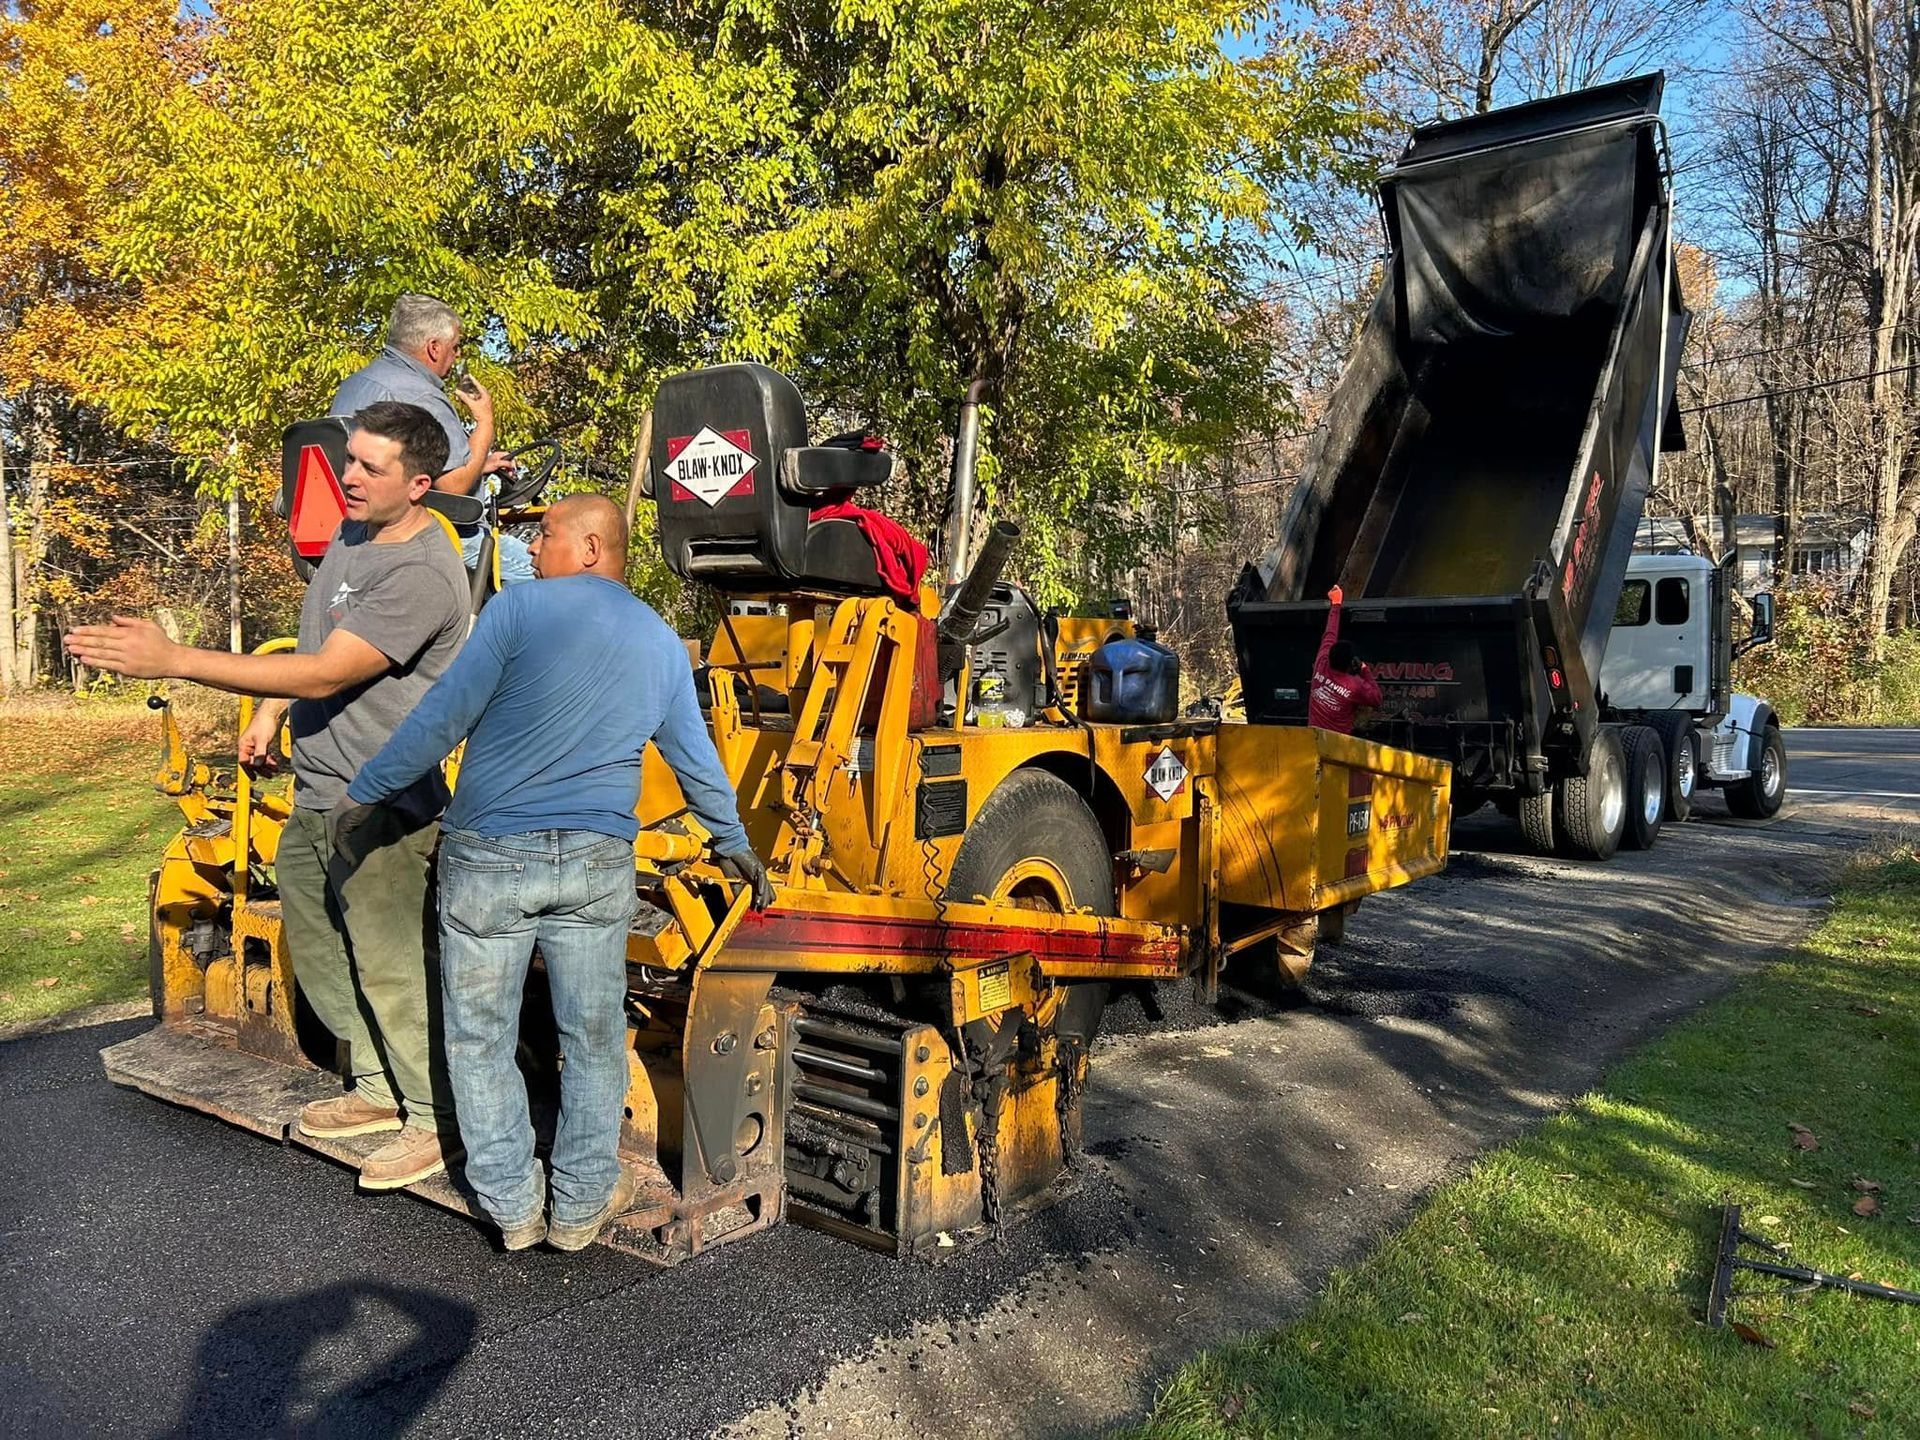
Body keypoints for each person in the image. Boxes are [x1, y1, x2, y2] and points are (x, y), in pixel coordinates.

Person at [334, 494, 774, 1252]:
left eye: (546, 537)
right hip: (598, 864)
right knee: (594, 1036)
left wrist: (366, 792)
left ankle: (512, 1206)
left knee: (478, 1037)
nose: (532, 551)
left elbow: (445, 716)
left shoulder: (516, 613)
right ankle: (577, 1209)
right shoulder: (664, 643)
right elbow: (696, 763)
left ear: (594, 546)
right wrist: (733, 841)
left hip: (491, 858)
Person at [66, 401, 472, 1189]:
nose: (348, 477)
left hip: (384, 802)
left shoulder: (424, 572)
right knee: (320, 957)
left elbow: (329, 671)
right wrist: (271, 707)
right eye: (350, 459)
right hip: (318, 788)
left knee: (392, 967)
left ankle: (432, 1118)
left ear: (419, 483)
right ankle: (380, 1092)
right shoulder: (350, 539)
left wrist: (176, 658)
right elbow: (314, 649)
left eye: (369, 468)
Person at [331, 293, 534, 586]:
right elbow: (455, 488)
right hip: (421, 534)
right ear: (434, 348)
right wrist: (485, 423)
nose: (457, 356)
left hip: (355, 529)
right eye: (455, 347)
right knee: (547, 573)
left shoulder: (355, 384)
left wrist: (481, 463)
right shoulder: (421, 395)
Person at [1309, 583, 1382, 734]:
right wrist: (1364, 669)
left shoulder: (1321, 662)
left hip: (1313, 736)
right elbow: (1376, 699)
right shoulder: (1355, 686)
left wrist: (1336, 604)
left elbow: (1330, 632)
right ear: (1351, 666)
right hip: (1338, 744)